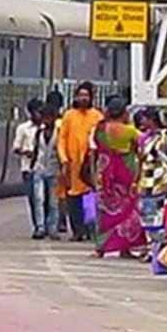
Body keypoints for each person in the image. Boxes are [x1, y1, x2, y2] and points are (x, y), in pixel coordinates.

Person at [91, 97, 147, 258]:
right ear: (124, 113)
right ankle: (125, 247)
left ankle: (100, 248)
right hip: (125, 171)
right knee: (128, 210)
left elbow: (95, 147)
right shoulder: (130, 131)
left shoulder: (100, 129)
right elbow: (143, 145)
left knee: (105, 211)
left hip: (105, 172)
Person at [57, 82, 103, 241]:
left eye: (86, 95)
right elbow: (62, 139)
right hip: (72, 165)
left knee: (89, 198)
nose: (83, 98)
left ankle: (90, 230)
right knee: (73, 199)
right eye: (81, 95)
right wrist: (64, 159)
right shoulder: (69, 116)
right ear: (76, 97)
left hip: (90, 166)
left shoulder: (97, 116)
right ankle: (77, 231)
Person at [135, 107, 167, 257]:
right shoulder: (145, 138)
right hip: (146, 182)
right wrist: (136, 181)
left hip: (162, 182)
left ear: (152, 119)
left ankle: (157, 249)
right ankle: (151, 247)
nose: (142, 121)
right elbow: (140, 161)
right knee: (147, 217)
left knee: (159, 217)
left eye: (144, 118)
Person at [30, 104, 61, 240]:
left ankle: (52, 228)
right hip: (39, 169)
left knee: (54, 202)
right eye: (44, 118)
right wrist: (32, 166)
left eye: (49, 118)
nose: (46, 121)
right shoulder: (39, 133)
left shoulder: (59, 133)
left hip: (54, 170)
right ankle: (40, 227)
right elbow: (36, 150)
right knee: (39, 198)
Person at [13, 98, 43, 237]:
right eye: (37, 112)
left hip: (44, 168)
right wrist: (26, 152)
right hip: (28, 168)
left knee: (43, 199)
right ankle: (37, 225)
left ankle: (44, 226)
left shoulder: (47, 129)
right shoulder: (23, 129)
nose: (39, 115)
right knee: (33, 199)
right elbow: (16, 147)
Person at [45, 90, 70, 233]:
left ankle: (57, 221)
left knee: (55, 196)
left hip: (58, 165)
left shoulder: (60, 123)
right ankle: (61, 221)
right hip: (64, 164)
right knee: (60, 195)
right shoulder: (64, 121)